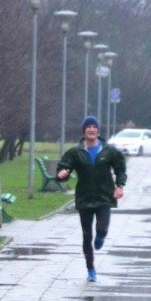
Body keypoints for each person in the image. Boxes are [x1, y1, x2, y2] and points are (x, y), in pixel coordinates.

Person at [55, 115, 127, 283]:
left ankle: (100, 237)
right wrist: (62, 174)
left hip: (104, 197)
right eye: (88, 127)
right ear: (84, 131)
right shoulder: (76, 152)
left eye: (94, 127)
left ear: (98, 130)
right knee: (86, 235)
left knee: (101, 229)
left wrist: (119, 185)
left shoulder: (108, 151)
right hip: (85, 198)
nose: (91, 130)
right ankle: (91, 269)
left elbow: (120, 168)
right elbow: (63, 168)